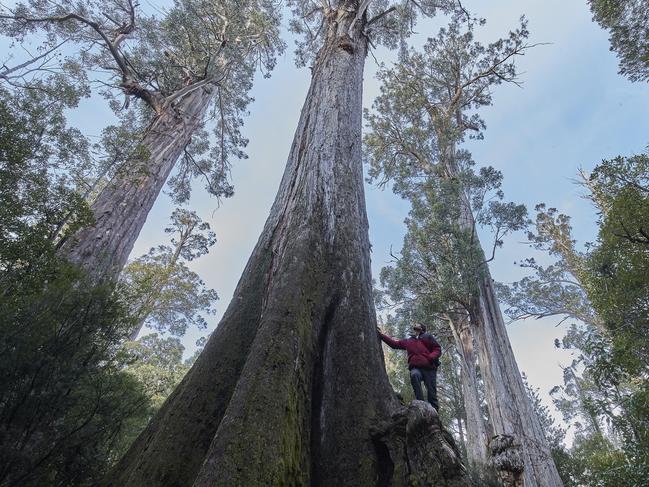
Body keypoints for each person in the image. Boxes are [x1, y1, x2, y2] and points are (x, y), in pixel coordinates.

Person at [378, 323, 441, 410]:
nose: (415, 326)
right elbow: (394, 344)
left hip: (429, 368)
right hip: (416, 368)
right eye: (415, 325)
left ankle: (435, 412)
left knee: (431, 391)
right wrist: (381, 335)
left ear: (422, 328)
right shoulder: (409, 341)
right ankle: (421, 405)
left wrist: (431, 357)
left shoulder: (428, 337)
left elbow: (437, 349)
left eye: (418, 325)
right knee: (414, 375)